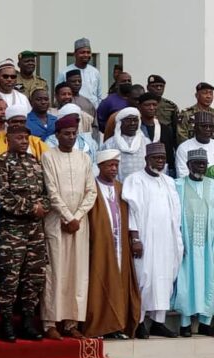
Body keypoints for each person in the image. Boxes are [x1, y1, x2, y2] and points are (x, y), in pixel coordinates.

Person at [40, 115, 97, 339]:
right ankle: (50, 322)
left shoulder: (84, 158)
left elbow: (91, 191)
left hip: (80, 224)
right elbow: (51, 191)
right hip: (57, 222)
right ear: (57, 135)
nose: (71, 137)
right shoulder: (48, 156)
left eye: (74, 133)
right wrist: (67, 217)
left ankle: (72, 323)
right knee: (55, 271)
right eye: (66, 134)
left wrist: (78, 217)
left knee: (77, 271)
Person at [0, 124, 48, 342]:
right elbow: (2, 195)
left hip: (35, 231)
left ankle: (27, 321)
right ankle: (6, 322)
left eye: (26, 138)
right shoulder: (0, 163)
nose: (24, 141)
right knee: (10, 277)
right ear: (9, 139)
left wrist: (43, 206)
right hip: (12, 230)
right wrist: (31, 208)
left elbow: (47, 192)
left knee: (33, 277)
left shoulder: (35, 162)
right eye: (19, 138)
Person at [122, 142, 183, 339]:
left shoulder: (169, 181)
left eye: (163, 158)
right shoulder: (135, 180)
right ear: (146, 159)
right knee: (144, 278)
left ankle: (159, 322)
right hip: (145, 239)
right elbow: (131, 211)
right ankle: (139, 322)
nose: (160, 161)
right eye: (156, 158)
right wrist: (135, 238)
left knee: (165, 279)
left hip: (167, 239)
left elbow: (175, 212)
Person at [84, 150, 141, 339]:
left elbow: (130, 215)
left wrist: (133, 238)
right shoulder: (91, 186)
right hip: (100, 243)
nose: (114, 169)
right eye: (110, 165)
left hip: (120, 244)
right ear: (99, 166)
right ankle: (100, 326)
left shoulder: (121, 187)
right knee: (100, 280)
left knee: (120, 281)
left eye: (116, 165)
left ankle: (118, 326)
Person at [173, 149, 214, 337]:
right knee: (186, 281)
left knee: (209, 279)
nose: (201, 167)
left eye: (203, 164)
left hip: (208, 244)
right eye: (197, 164)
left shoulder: (212, 185)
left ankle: (206, 322)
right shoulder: (178, 185)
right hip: (186, 244)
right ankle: (185, 323)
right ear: (188, 165)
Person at [101, 108, 147, 181]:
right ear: (120, 123)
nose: (132, 123)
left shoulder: (146, 142)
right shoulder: (110, 144)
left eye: (135, 120)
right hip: (119, 187)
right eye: (128, 120)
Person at [137, 92, 176, 176]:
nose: (151, 108)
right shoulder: (135, 128)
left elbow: (169, 153)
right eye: (147, 105)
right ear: (139, 107)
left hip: (162, 172)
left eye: (154, 105)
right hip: (139, 170)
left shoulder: (164, 129)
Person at [57, 38, 102, 109]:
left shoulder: (95, 72)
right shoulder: (64, 72)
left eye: (88, 52)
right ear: (74, 54)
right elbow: (58, 94)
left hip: (92, 111)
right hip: (72, 111)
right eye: (82, 52)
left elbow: (99, 96)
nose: (86, 55)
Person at [176, 111, 214, 178]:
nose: (208, 129)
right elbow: (182, 175)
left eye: (210, 126)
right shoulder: (184, 147)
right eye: (204, 126)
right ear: (195, 128)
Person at [146, 74, 179, 147]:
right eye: (155, 86)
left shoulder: (171, 106)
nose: (159, 88)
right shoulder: (142, 104)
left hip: (166, 140)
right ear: (148, 87)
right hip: (146, 138)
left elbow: (176, 129)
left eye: (161, 86)